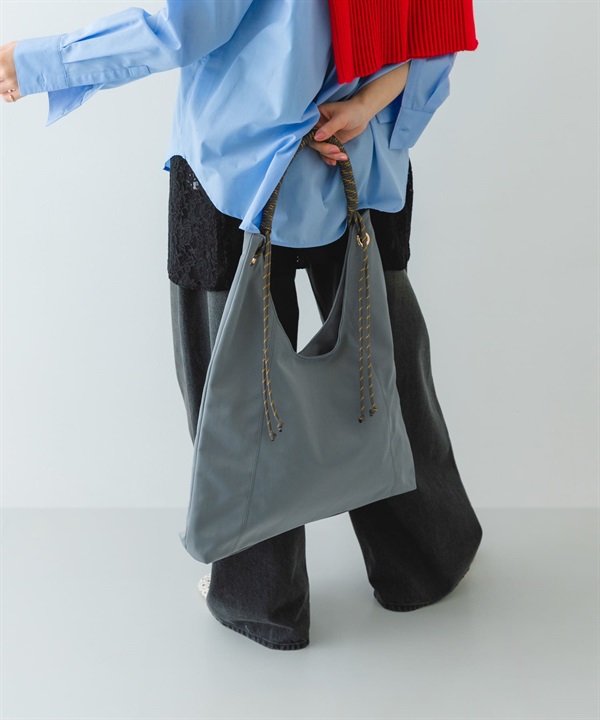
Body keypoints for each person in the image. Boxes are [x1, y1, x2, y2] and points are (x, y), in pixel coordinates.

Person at [1, 0, 483, 651]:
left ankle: (263, 600)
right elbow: (435, 32)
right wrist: (369, 105)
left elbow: (183, 28)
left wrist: (38, 62)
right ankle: (429, 558)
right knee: (385, 367)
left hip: (238, 173)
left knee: (234, 393)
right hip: (359, 160)